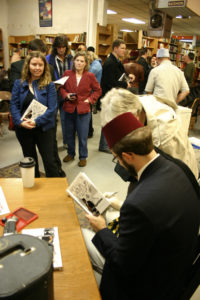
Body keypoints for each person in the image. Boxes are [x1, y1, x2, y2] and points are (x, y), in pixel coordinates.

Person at [83, 112, 200, 300]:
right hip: (175, 266)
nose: (118, 162)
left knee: (83, 236)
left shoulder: (138, 204)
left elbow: (122, 263)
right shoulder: (179, 167)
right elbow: (159, 215)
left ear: (128, 156)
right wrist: (120, 205)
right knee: (114, 216)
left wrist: (101, 228)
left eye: (117, 158)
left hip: (145, 286)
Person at [100, 88, 198, 179]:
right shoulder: (134, 103)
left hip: (180, 178)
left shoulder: (162, 133)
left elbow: (170, 175)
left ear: (135, 118)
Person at [9, 38, 65, 177]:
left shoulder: (50, 85)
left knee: (49, 161)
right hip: (24, 129)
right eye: (34, 64)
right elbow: (14, 106)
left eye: (40, 65)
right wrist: (20, 122)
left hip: (44, 128)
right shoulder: (18, 83)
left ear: (45, 67)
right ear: (28, 65)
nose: (37, 68)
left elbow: (52, 109)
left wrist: (36, 121)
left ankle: (54, 190)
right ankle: (34, 188)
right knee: (30, 160)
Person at [60, 52, 101, 167]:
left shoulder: (90, 76)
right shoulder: (67, 74)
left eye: (82, 61)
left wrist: (90, 100)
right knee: (69, 134)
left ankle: (83, 157)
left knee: (82, 135)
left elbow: (98, 90)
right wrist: (66, 95)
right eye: (77, 60)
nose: (79, 63)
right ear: (74, 61)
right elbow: (61, 88)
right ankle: (70, 153)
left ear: (86, 63)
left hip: (83, 110)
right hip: (69, 108)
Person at [99, 39, 133, 153]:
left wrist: (128, 78)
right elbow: (110, 82)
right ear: (115, 48)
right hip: (109, 96)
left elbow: (120, 74)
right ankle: (104, 145)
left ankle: (109, 143)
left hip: (114, 96)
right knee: (108, 121)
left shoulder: (117, 61)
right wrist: (125, 84)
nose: (124, 50)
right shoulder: (110, 63)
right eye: (122, 48)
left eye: (125, 48)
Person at [46, 35, 73, 149]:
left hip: (66, 91)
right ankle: (51, 143)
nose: (61, 50)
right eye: (59, 47)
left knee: (65, 118)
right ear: (55, 47)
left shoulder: (71, 58)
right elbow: (45, 75)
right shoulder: (49, 59)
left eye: (63, 47)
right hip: (53, 91)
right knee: (51, 118)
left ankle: (66, 141)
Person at [87, 50, 102, 137]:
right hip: (93, 89)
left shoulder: (95, 65)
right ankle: (89, 130)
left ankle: (89, 131)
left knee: (89, 112)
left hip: (92, 91)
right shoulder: (96, 63)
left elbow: (88, 75)